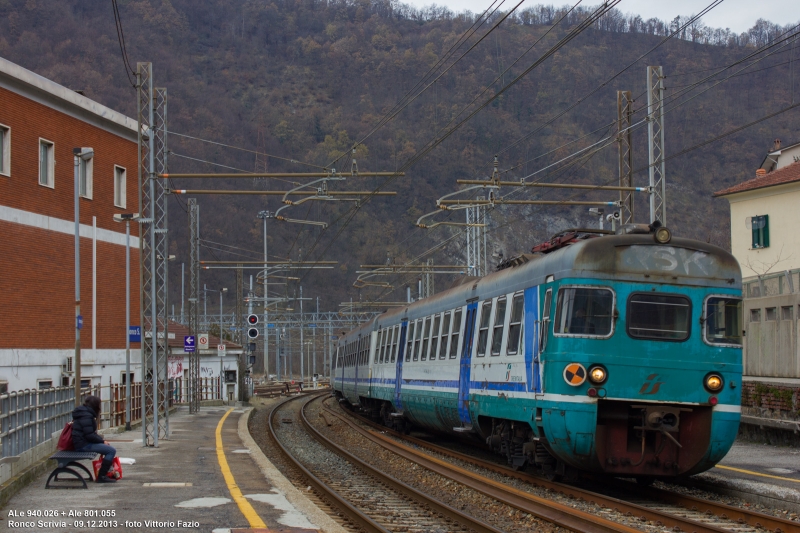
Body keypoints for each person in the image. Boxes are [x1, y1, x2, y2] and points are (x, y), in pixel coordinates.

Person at [72, 395, 117, 483]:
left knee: (108, 449)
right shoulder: (87, 416)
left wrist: (101, 441)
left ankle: (103, 475)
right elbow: (89, 435)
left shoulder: (84, 413)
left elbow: (89, 434)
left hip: (81, 442)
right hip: (83, 445)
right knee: (111, 451)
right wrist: (102, 441)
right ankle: (102, 476)